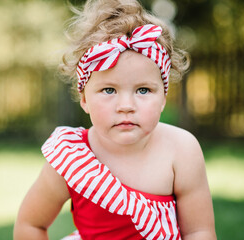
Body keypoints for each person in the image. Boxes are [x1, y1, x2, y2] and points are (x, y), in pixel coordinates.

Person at [14, 0, 216, 239]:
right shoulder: (73, 158)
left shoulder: (181, 150)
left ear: (164, 97)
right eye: (109, 90)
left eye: (143, 90)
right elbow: (31, 224)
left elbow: (199, 231)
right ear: (85, 99)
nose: (126, 107)